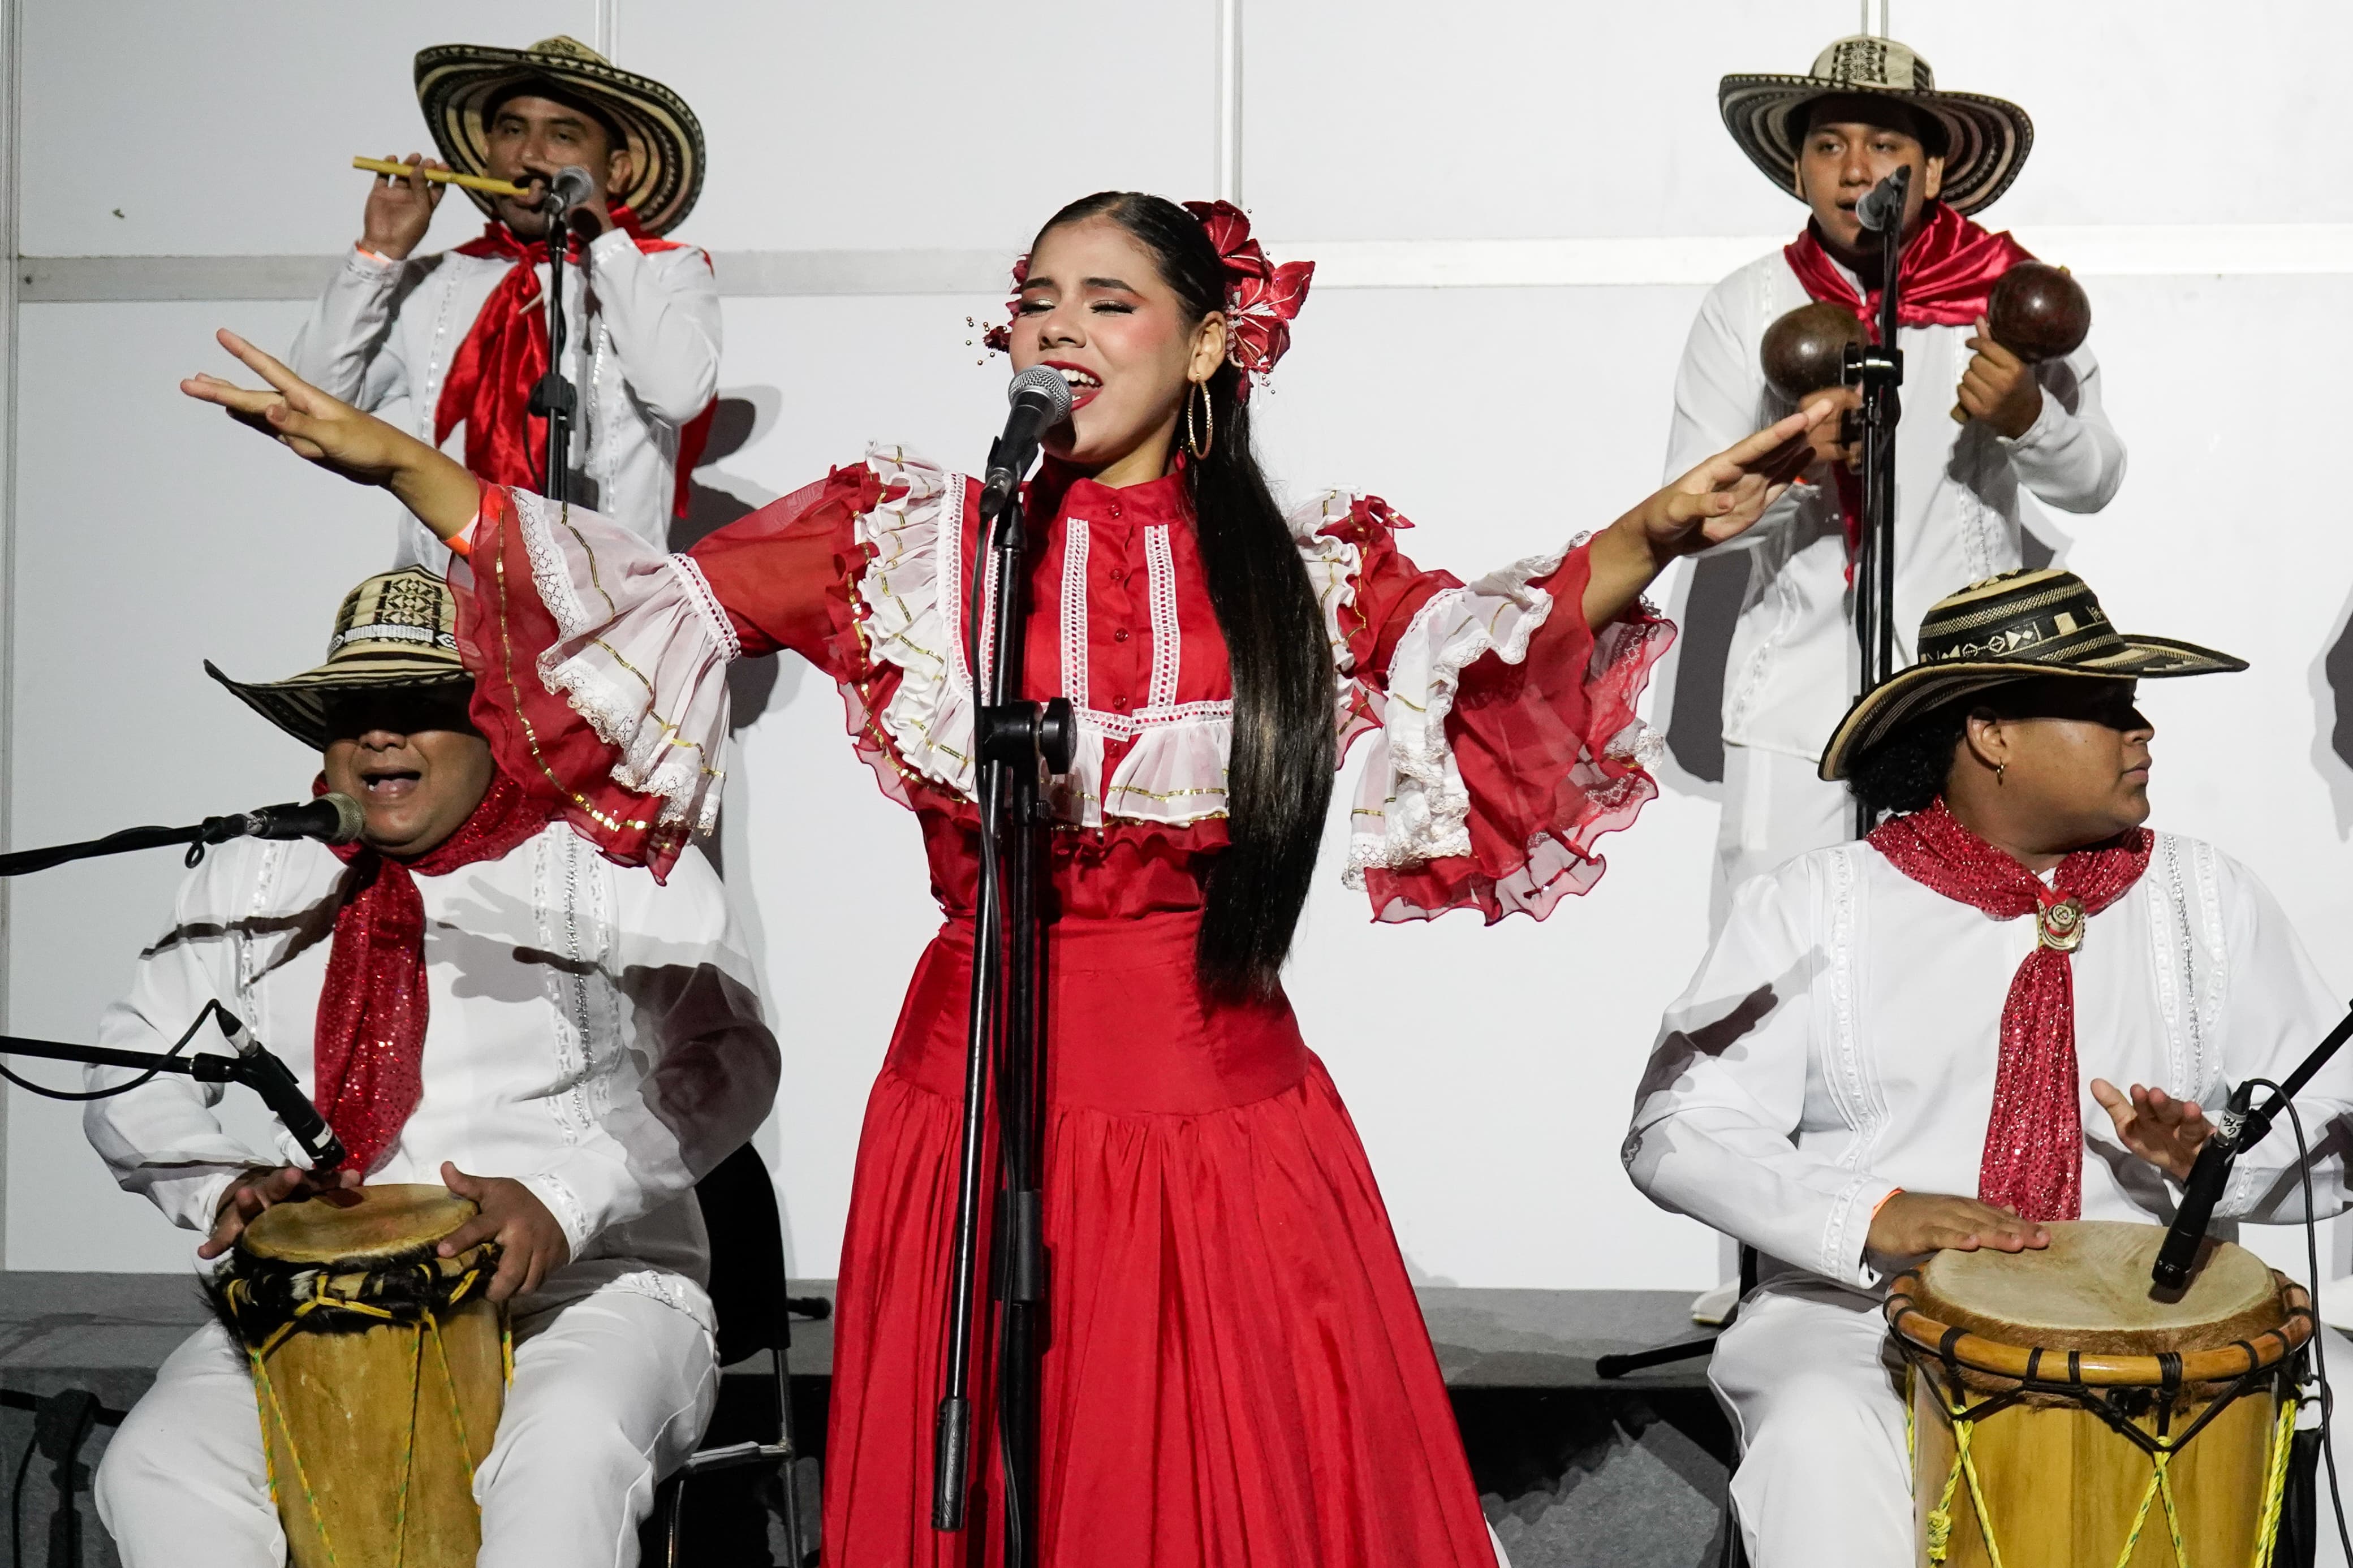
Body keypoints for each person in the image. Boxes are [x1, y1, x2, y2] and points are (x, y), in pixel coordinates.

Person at [182, 191, 1828, 1567]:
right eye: (1037, 298)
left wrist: (1666, 527)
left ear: (1206, 342)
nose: (1059, 327)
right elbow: (637, 594)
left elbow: (1478, 653)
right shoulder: (912, 543)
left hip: (1221, 1121)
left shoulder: (1296, 566)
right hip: (970, 1101)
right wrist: (406, 467)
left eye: (1109, 300)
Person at [1622, 568, 2353, 1567]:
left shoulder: (2207, 894)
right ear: (1991, 732)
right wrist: (1869, 1212)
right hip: (1867, 1309)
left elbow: (2334, 1134)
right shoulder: (1820, 901)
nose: (2142, 731)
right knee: (1817, 1433)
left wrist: (2213, 1159)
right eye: (2104, 708)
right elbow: (1676, 1124)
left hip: (2161, 1311)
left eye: (2135, 707)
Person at [86, 567, 779, 1567]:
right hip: (314, 1298)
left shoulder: (605, 855)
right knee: (157, 1465)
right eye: (353, 710)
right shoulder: (257, 870)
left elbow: (730, 1053)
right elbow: (130, 1060)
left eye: (418, 704)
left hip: (583, 1287)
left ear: (498, 719)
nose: (379, 735)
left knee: (563, 1462)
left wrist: (561, 1196)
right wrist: (217, 1184)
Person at [1671, 34, 2128, 924]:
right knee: (1768, 984)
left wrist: (2029, 417)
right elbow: (1690, 516)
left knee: (1955, 968)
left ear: (1934, 166)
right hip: (1794, 712)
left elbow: (2097, 480)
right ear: (1798, 168)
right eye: (1829, 144)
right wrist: (1798, 463)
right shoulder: (1750, 305)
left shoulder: (2007, 297)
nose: (1855, 170)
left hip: (1970, 707)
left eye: (1884, 145)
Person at [290, 34, 719, 564]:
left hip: (608, 613)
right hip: (445, 615)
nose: (531, 155)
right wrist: (377, 255)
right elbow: (316, 407)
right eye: (512, 130)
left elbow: (678, 395)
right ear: (488, 152)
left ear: (617, 171)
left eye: (563, 135)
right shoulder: (434, 278)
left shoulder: (663, 270)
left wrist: (605, 241)